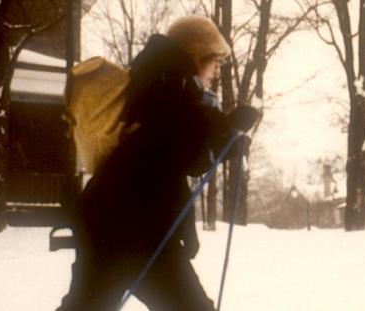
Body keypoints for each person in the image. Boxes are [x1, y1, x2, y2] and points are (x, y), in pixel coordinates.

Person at [58, 15, 260, 311]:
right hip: (133, 230)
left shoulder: (158, 76)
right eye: (214, 61)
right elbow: (187, 152)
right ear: (196, 53)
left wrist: (228, 135)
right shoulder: (168, 81)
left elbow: (168, 160)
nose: (217, 70)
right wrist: (230, 129)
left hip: (112, 222)